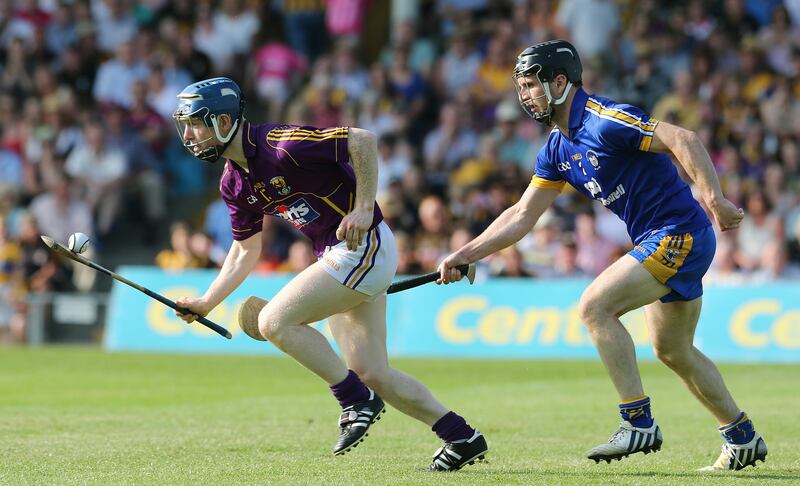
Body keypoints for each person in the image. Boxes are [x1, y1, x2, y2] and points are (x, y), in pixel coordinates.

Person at [437, 40, 767, 471]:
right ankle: (741, 437)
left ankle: (638, 421)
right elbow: (520, 216)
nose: (524, 95)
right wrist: (466, 253)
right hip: (664, 238)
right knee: (673, 350)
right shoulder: (556, 148)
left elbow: (683, 138)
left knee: (595, 307)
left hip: (677, 234)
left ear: (560, 82)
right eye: (520, 87)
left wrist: (715, 199)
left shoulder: (604, 120)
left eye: (531, 85)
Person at [171, 77, 487, 470]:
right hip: (339, 256)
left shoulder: (280, 144)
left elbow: (363, 140)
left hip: (363, 245)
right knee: (372, 371)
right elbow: (244, 250)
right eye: (184, 124)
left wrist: (363, 206)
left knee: (274, 321)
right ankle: (461, 437)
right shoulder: (234, 183)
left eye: (195, 123)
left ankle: (355, 400)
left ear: (222, 121)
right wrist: (206, 302)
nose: (189, 134)